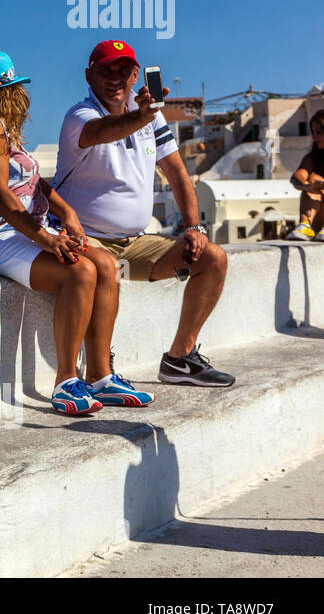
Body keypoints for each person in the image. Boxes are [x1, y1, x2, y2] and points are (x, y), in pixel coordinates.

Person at [0, 51, 153, 415]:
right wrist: (46, 238)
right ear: (9, 91)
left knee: (105, 263)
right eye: (18, 89)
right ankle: (66, 381)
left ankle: (101, 375)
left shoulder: (0, 130)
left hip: (16, 232)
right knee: (80, 271)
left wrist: (67, 212)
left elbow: (33, 184)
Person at [53, 40, 235, 387]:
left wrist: (194, 226)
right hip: (85, 237)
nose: (115, 78)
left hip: (134, 242)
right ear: (89, 75)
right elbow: (101, 133)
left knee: (212, 258)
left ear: (136, 74)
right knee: (107, 267)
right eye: (105, 70)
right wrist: (142, 117)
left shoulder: (152, 118)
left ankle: (180, 360)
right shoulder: (81, 115)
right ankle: (98, 371)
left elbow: (177, 172)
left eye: (124, 71)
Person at [286, 109, 324, 241]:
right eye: (313, 132)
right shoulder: (312, 158)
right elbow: (297, 177)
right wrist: (307, 186)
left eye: (319, 132)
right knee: (312, 179)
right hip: (319, 220)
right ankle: (305, 226)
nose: (314, 137)